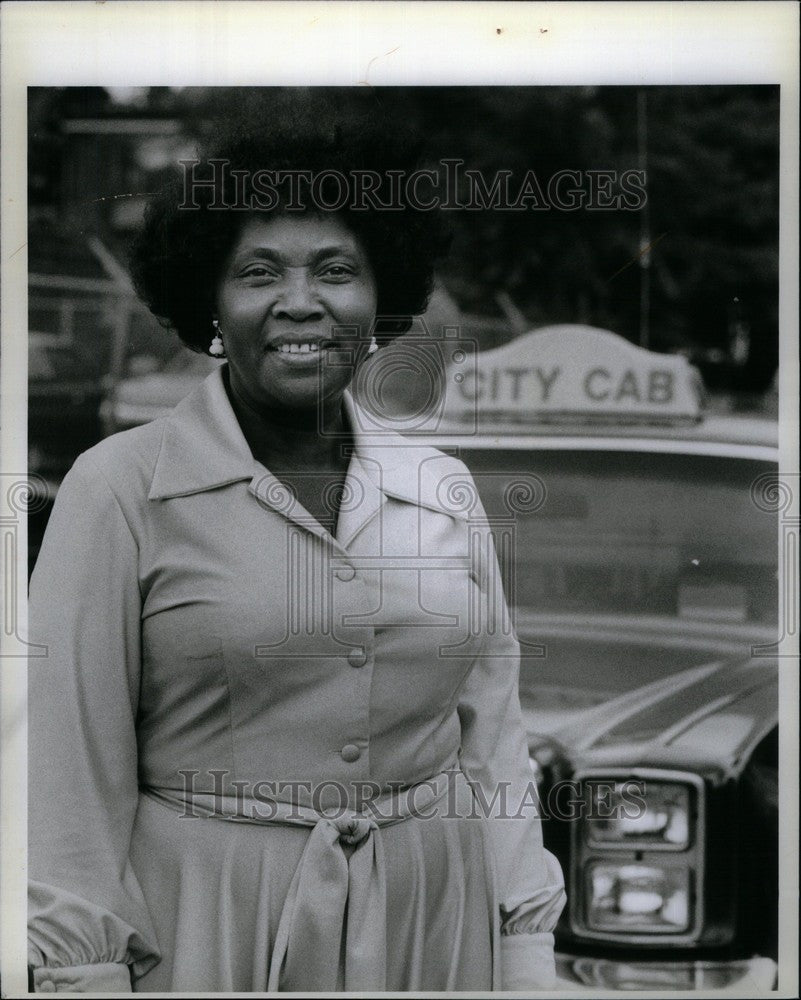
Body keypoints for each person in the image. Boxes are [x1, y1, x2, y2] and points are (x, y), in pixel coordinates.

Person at [27, 101, 566, 993]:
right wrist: (80, 968)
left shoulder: (442, 484)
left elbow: (492, 737)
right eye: (258, 272)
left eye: (336, 270)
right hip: (203, 920)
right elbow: (68, 765)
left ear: (378, 295)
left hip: (429, 915)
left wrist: (522, 944)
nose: (300, 302)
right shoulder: (118, 486)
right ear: (209, 297)